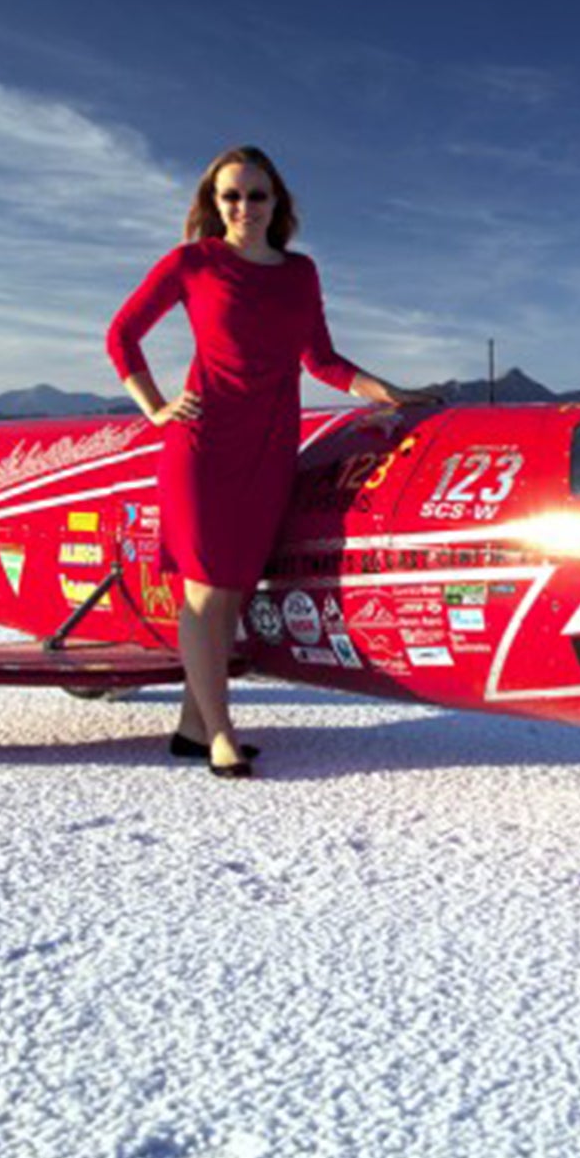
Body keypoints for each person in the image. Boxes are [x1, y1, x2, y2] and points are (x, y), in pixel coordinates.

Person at [106, 145, 431, 778]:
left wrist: (388, 392)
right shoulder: (193, 263)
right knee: (204, 592)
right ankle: (222, 735)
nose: (244, 207)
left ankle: (192, 726)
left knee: (230, 594)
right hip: (201, 444)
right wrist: (153, 407)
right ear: (213, 203)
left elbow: (322, 361)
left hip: (270, 448)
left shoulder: (300, 273)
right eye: (231, 195)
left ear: (277, 202)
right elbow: (122, 334)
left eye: (257, 195)